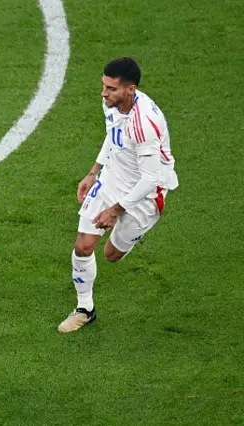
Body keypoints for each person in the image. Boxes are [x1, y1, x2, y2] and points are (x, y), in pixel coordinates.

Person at [58, 57, 179, 333]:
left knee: (112, 254)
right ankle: (85, 308)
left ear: (130, 89)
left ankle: (131, 232)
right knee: (83, 246)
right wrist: (93, 172)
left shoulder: (144, 123)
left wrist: (115, 210)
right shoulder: (111, 103)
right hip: (112, 178)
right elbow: (112, 135)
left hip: (145, 194)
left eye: (111, 88)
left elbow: (151, 178)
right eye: (103, 86)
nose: (104, 93)